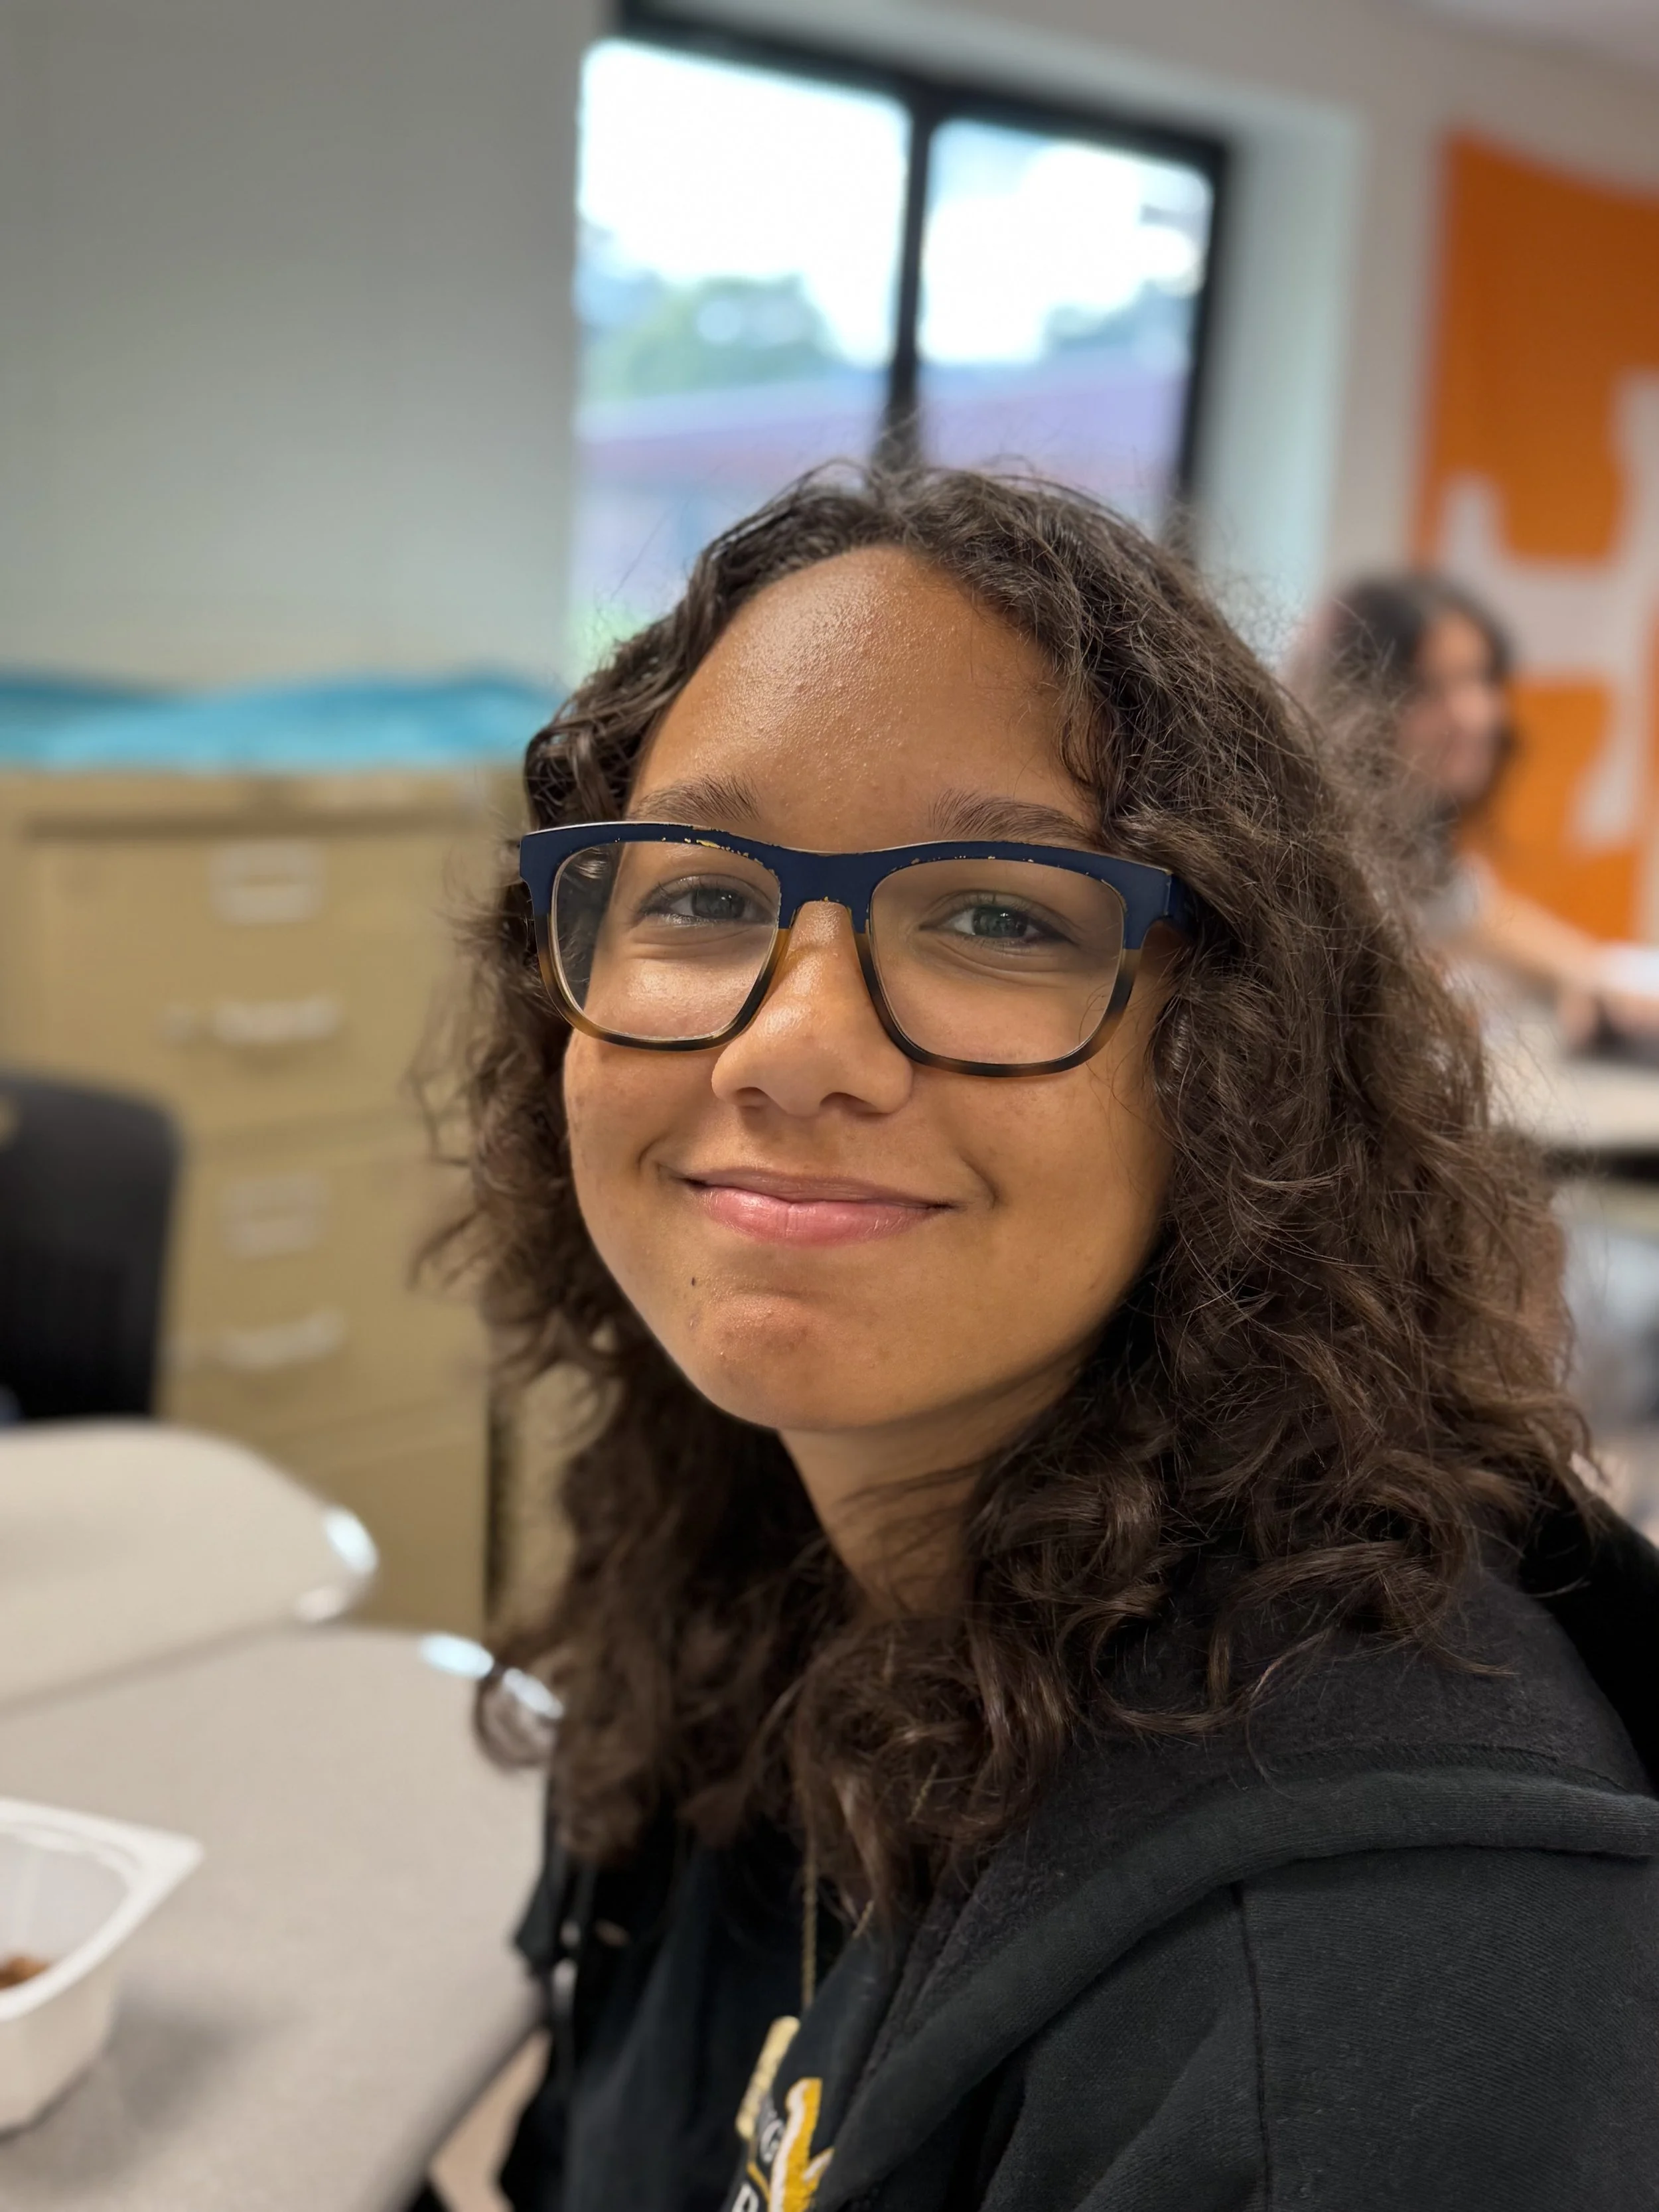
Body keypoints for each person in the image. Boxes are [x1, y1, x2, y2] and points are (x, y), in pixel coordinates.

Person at [441, 471, 1659, 2212]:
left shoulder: (1350, 1995)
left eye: (998, 913)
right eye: (697, 895)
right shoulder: (746, 1538)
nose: (788, 1046)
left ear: (1236, 1064)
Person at [1305, 571, 1659, 1040]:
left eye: (1479, 679)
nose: (1475, 714)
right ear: (1358, 698)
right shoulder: (1322, 848)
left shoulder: (1409, 829)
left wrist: (1589, 973)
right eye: (1431, 688)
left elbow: (1466, 909)